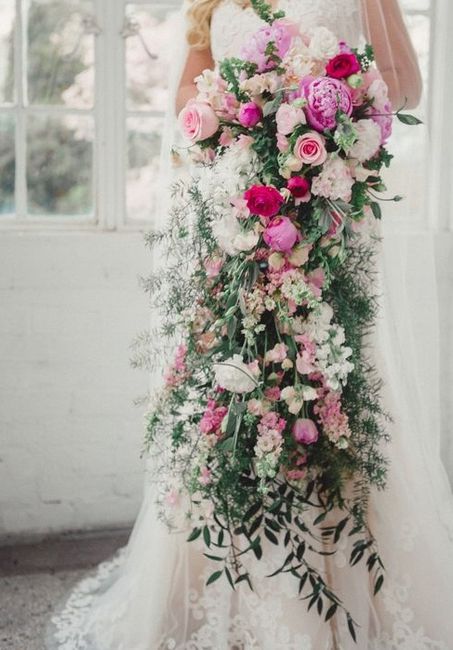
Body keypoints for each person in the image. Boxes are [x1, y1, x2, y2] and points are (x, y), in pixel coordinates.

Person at [48, 2, 453, 649]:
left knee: (329, 396)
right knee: (238, 398)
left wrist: (319, 114)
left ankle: (336, 594)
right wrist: (238, 119)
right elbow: (188, 88)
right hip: (237, 226)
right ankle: (233, 588)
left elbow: (402, 86)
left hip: (324, 232)